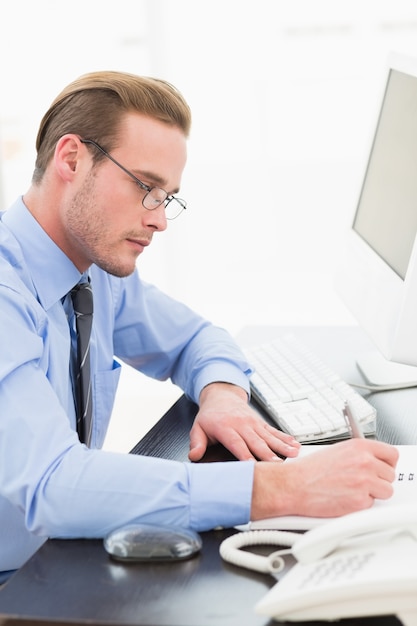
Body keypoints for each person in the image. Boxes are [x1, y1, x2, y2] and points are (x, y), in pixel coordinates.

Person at [0, 70, 398, 582]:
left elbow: (195, 339)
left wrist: (224, 398)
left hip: (56, 566)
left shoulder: (92, 267)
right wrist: (284, 488)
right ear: (71, 159)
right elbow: (51, 484)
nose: (159, 220)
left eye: (167, 197)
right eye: (146, 187)